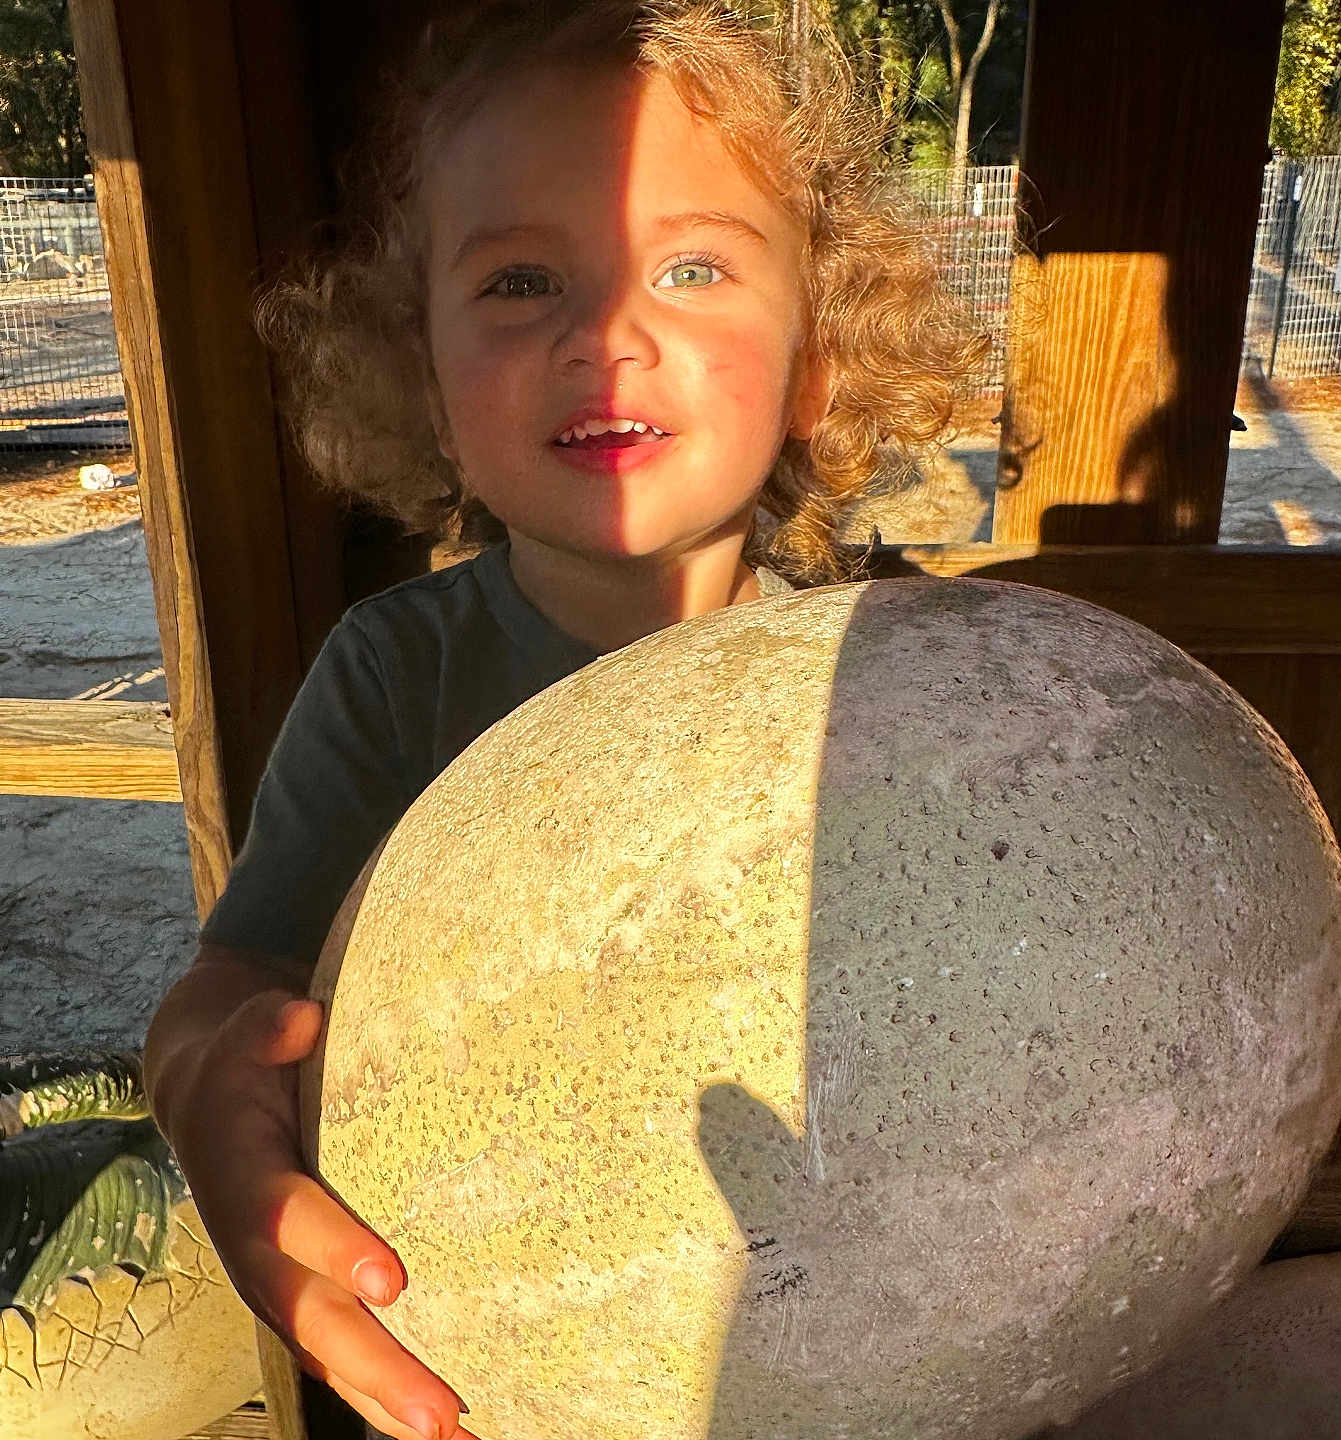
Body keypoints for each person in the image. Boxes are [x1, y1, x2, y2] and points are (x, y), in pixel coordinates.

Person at [142, 3, 978, 1436]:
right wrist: (208, 1096)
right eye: (524, 281)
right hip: (504, 1363)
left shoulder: (884, 684)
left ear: (820, 360)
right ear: (424, 378)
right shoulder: (395, 676)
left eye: (695, 265)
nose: (608, 333)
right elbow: (232, 987)